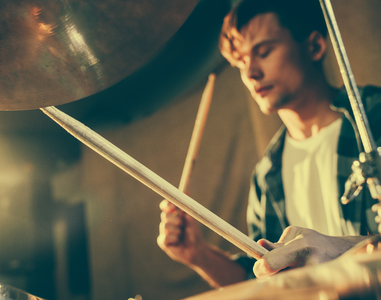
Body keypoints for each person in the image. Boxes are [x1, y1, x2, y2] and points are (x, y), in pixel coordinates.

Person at [157, 0, 381, 287]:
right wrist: (199, 255)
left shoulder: (373, 116)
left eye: (263, 52)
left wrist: (340, 250)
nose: (250, 73)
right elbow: (262, 279)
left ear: (314, 46)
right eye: (240, 62)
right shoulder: (267, 173)